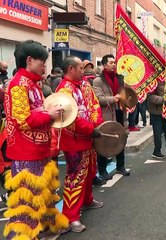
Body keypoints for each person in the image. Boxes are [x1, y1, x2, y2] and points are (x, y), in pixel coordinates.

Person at [3, 40, 69, 239]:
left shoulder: (32, 83)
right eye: (42, 62)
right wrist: (49, 115)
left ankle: (47, 226)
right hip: (26, 151)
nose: (45, 67)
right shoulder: (18, 85)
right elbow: (23, 120)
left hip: (39, 148)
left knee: (45, 194)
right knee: (28, 200)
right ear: (29, 60)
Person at [56, 56, 104, 232]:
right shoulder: (63, 90)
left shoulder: (84, 84)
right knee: (74, 178)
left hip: (88, 136)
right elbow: (70, 119)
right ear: (71, 69)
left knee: (90, 171)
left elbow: (94, 104)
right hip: (74, 141)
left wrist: (95, 122)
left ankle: (87, 200)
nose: (83, 71)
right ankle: (71, 216)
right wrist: (90, 129)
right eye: (80, 68)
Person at [93, 54, 130, 179]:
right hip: (107, 115)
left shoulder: (120, 78)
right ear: (104, 65)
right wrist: (113, 99)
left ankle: (121, 166)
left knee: (121, 139)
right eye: (111, 62)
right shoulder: (98, 80)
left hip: (120, 112)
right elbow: (98, 99)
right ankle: (102, 170)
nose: (114, 64)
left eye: (114, 62)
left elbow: (125, 93)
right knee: (104, 143)